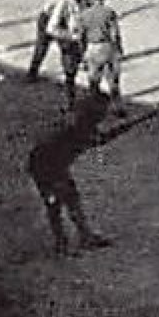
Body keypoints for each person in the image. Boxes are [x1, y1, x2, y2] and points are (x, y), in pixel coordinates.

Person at [28, 92, 116, 258]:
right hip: (46, 166)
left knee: (71, 197)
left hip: (53, 163)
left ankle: (83, 236)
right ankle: (62, 244)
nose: (105, 114)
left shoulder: (79, 119)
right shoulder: (79, 126)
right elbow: (97, 140)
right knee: (55, 203)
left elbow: (97, 138)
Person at [27, 0, 87, 104]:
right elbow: (52, 25)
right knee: (43, 47)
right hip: (48, 19)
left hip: (61, 21)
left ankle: (77, 63)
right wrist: (69, 34)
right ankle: (33, 71)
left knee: (73, 45)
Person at [76, 0, 124, 111]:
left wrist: (82, 54)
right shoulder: (109, 12)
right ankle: (117, 107)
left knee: (93, 80)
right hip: (107, 46)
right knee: (113, 80)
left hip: (92, 47)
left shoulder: (84, 15)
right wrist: (119, 49)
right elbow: (115, 33)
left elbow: (81, 37)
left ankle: (95, 106)